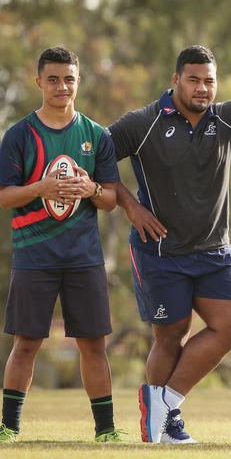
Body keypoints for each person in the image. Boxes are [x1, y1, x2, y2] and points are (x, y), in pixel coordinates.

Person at [107, 45, 231, 444]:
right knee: (170, 333)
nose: (202, 88)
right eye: (193, 79)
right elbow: (97, 157)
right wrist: (131, 206)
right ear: (175, 81)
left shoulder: (225, 117)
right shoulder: (143, 122)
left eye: (209, 80)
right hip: (159, 252)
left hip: (214, 252)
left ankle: (162, 404)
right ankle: (165, 427)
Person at [0, 47, 122, 442]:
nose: (61, 86)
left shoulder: (96, 134)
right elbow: (4, 195)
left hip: (83, 258)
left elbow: (111, 200)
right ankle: (8, 428)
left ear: (78, 81)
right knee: (27, 343)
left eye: (68, 78)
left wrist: (92, 188)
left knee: (93, 344)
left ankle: (106, 431)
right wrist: (41, 188)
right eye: (53, 79)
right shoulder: (19, 135)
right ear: (38, 82)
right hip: (34, 255)